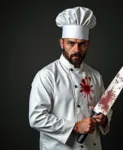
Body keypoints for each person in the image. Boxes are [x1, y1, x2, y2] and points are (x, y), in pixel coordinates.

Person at [29, 6, 113, 150]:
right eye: (71, 43)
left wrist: (104, 118)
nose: (76, 50)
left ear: (88, 44)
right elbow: (36, 118)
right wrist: (74, 126)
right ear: (62, 43)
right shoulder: (47, 75)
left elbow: (106, 109)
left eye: (82, 44)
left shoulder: (95, 76)